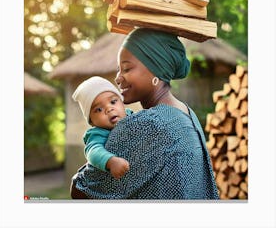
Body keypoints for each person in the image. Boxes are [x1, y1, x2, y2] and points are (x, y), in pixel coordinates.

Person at [70, 28, 219, 200]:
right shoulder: (186, 113)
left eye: (126, 69)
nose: (118, 78)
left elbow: (81, 190)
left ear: (155, 70)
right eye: (119, 70)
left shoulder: (149, 123)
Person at [72, 76, 132, 180]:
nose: (109, 109)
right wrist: (111, 161)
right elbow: (93, 151)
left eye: (113, 102)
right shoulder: (97, 133)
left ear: (122, 103)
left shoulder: (133, 116)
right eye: (99, 109)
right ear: (92, 122)